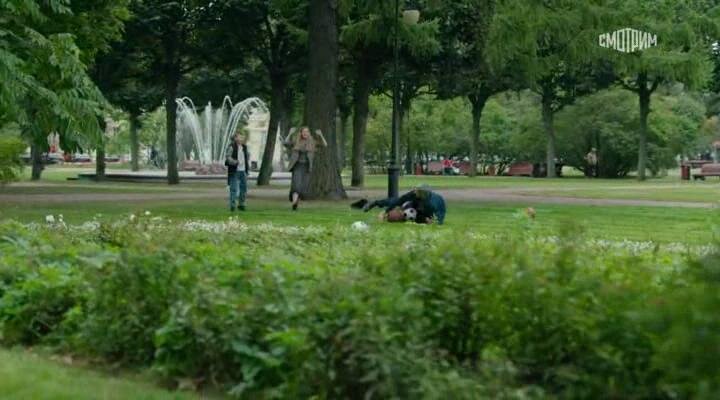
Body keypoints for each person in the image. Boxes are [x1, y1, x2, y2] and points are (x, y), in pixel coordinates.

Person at [355, 184, 447, 225]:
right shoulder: (414, 194)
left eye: (417, 191)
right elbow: (399, 201)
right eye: (415, 190)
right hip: (413, 206)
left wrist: (436, 221)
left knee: (419, 218)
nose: (415, 192)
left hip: (422, 212)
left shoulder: (433, 202)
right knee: (394, 201)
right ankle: (375, 203)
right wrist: (385, 212)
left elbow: (440, 214)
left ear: (424, 193)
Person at [284, 126, 327, 210]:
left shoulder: (312, 142)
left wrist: (321, 135)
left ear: (309, 133)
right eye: (303, 131)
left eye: (307, 131)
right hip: (297, 166)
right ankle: (294, 203)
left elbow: (325, 145)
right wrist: (290, 133)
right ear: (301, 133)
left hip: (307, 167)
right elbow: (285, 143)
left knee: (302, 187)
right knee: (296, 185)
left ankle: (296, 202)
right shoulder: (296, 141)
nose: (305, 133)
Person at [226, 132, 250, 211]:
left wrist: (247, 168)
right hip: (234, 170)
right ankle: (233, 205)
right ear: (235, 138)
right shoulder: (231, 147)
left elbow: (246, 158)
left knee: (244, 188)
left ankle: (241, 204)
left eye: (242, 137)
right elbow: (228, 158)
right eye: (240, 137)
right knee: (234, 188)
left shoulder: (244, 147)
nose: (242, 138)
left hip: (243, 170)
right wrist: (235, 162)